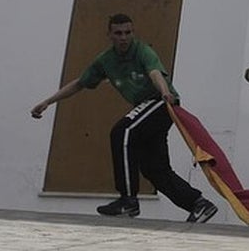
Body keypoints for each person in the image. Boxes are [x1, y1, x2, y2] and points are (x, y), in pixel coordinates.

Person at [30, 14, 218, 223]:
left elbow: (155, 72)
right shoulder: (106, 60)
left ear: (133, 33)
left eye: (128, 33)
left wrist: (165, 92)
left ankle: (128, 200)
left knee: (123, 131)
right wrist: (48, 101)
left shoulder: (142, 51)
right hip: (145, 112)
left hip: (161, 103)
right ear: (109, 35)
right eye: (118, 33)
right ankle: (198, 204)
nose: (124, 38)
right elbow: (79, 83)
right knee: (154, 169)